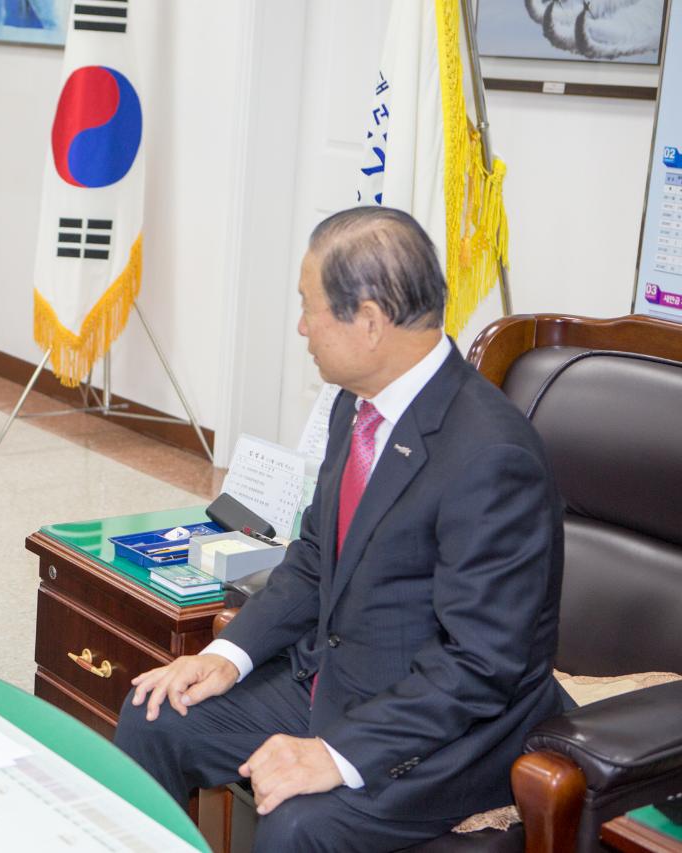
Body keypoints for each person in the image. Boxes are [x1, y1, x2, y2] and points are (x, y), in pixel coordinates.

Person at [114, 207, 567, 851]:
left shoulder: (491, 457)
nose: (301, 328)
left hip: (443, 732)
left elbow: (481, 663)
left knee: (298, 829)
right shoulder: (356, 403)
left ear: (371, 321)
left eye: (311, 308)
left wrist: (338, 754)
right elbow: (316, 555)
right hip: (334, 681)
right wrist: (226, 655)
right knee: (156, 715)